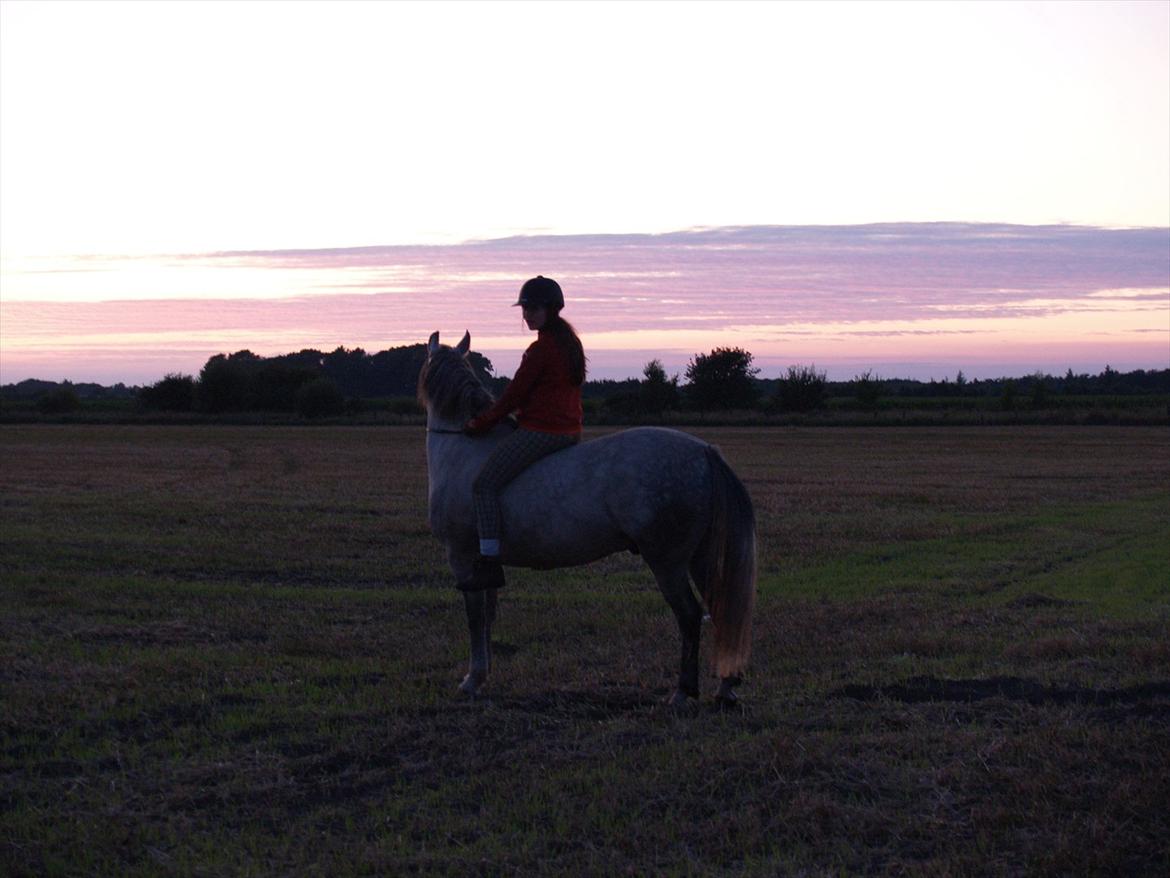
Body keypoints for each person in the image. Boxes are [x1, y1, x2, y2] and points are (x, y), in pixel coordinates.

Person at [461, 276, 586, 590]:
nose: (527, 314)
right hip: (569, 431)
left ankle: (489, 560)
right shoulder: (570, 343)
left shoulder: (541, 349)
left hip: (544, 432)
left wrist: (481, 424)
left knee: (484, 485)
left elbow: (513, 396)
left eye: (533, 308)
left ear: (551, 309)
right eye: (525, 308)